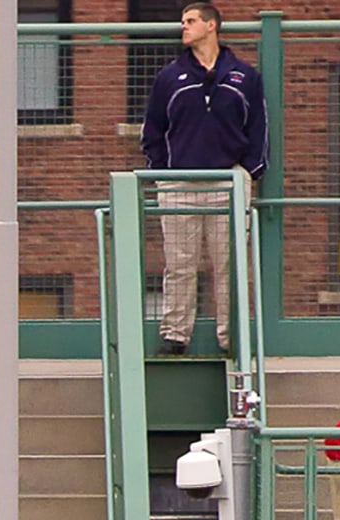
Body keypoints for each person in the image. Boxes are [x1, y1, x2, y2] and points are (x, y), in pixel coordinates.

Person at [142, 0, 268, 357]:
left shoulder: (244, 77)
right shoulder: (168, 77)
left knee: (230, 264)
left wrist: (249, 171)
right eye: (183, 21)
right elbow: (152, 129)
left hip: (228, 182)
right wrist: (163, 172)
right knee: (179, 263)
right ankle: (175, 335)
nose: (183, 26)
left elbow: (259, 128)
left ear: (211, 26)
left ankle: (233, 338)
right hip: (179, 182)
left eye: (191, 20)